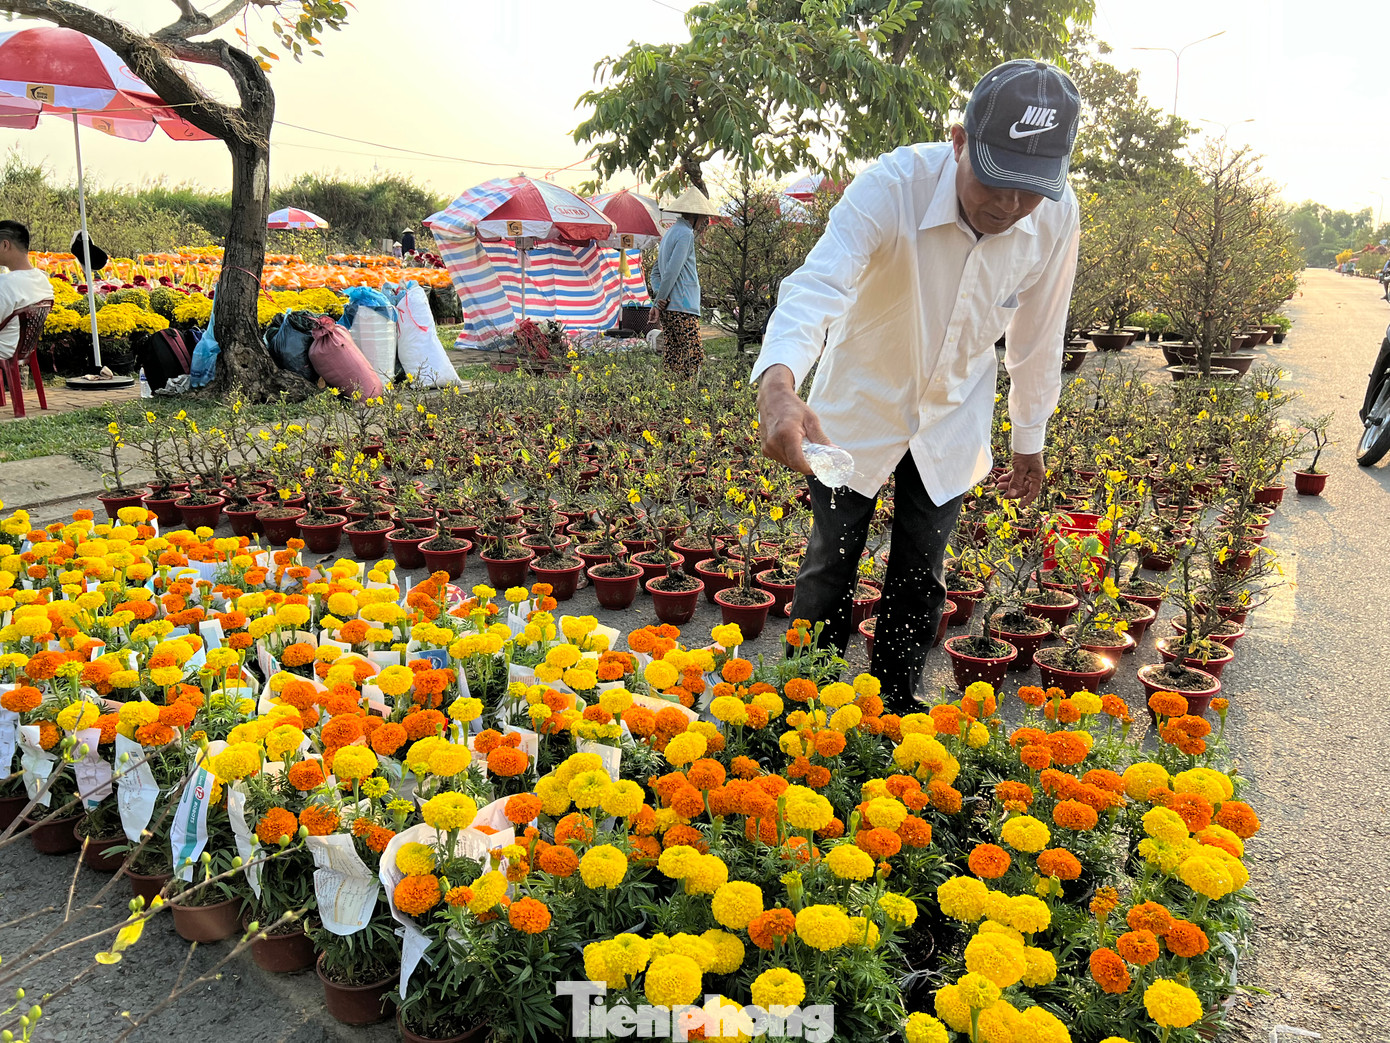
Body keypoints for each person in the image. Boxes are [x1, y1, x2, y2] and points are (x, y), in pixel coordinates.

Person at [751, 58, 1083, 714]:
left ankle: (892, 707)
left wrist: (1029, 438)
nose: (1010, 206)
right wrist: (780, 383)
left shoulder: (1054, 215)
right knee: (830, 565)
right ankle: (798, 707)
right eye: (996, 181)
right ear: (959, 140)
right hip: (857, 405)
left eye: (1030, 190)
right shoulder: (892, 186)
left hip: (951, 415)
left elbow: (1040, 335)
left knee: (919, 577)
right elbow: (820, 282)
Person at [652, 186, 719, 379]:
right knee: (693, 356)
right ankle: (686, 397)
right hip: (683, 307)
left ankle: (671, 397)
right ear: (695, 216)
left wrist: (660, 297)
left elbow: (656, 273)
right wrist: (660, 299)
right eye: (703, 217)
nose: (705, 221)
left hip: (671, 308)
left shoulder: (670, 233)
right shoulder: (685, 234)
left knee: (673, 357)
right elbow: (673, 270)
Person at [0, 221, 55, 361]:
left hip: (4, 350)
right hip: (21, 349)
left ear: (5, 245)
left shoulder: (5, 284)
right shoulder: (43, 281)